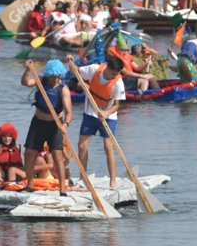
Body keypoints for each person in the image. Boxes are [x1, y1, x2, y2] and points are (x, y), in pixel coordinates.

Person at [70, 54, 124, 188]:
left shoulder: (118, 82)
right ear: (107, 67)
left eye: (116, 74)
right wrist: (70, 62)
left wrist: (106, 112)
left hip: (108, 116)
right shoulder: (94, 69)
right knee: (82, 146)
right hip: (90, 113)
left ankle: (113, 181)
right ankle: (83, 178)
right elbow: (76, 71)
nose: (114, 76)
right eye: (112, 73)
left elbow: (117, 105)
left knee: (108, 146)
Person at [19, 59, 71, 195]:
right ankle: (29, 185)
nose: (56, 80)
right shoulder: (41, 81)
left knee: (57, 155)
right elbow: (25, 83)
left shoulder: (63, 89)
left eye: (59, 76)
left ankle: (62, 189)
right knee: (29, 152)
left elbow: (69, 112)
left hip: (55, 125)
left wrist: (65, 124)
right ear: (48, 75)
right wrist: (27, 71)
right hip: (38, 122)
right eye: (54, 77)